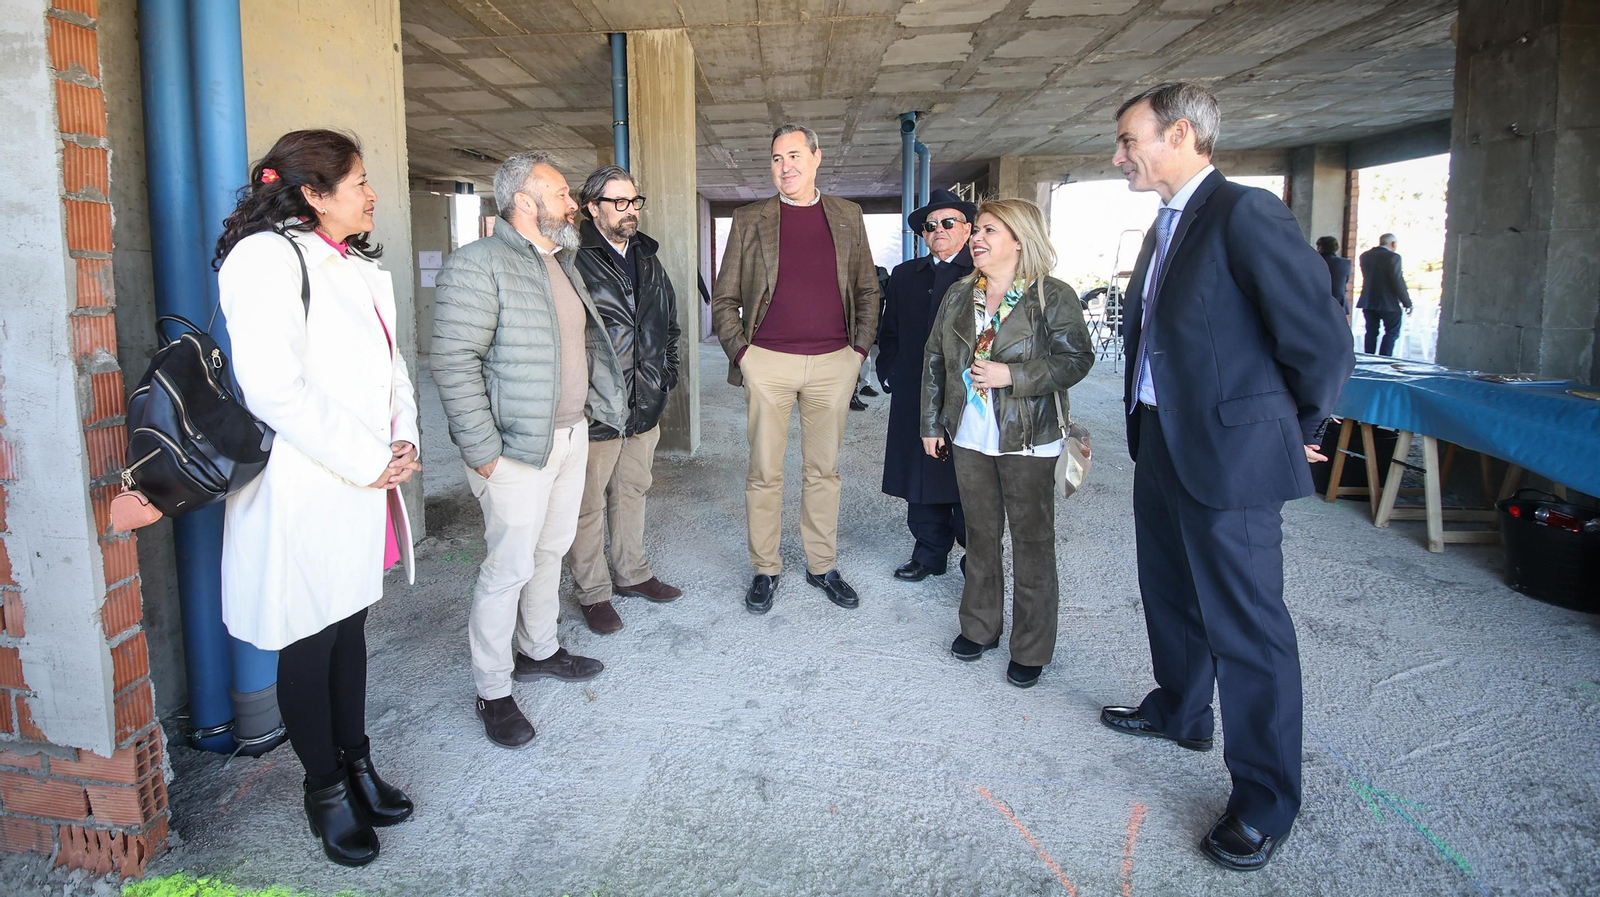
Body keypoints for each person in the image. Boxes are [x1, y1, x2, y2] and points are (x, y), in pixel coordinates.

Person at [1101, 82, 1354, 871]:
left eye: (1127, 140)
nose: (1118, 156)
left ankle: (1266, 799)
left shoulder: (1245, 214)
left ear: (1180, 133)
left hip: (1230, 452)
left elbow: (1321, 343)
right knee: (1169, 590)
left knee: (1248, 625)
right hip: (1162, 440)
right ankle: (1182, 709)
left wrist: (1292, 429)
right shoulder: (1164, 225)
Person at [215, 129, 420, 867]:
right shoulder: (265, 258)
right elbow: (274, 387)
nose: (371, 194)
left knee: (348, 629)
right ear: (313, 193)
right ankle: (325, 789)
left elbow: (391, 367)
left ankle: (358, 762)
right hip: (307, 485)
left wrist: (404, 438)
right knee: (310, 636)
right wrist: (369, 458)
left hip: (363, 480)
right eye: (360, 181)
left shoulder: (352, 263)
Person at [432, 151, 627, 749]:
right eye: (562, 192)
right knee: (507, 568)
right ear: (524, 201)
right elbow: (453, 360)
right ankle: (493, 688)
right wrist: (482, 451)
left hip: (568, 436)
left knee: (550, 550)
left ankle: (538, 650)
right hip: (513, 448)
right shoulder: (478, 264)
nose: (573, 203)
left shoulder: (561, 262)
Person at [920, 198, 1094, 689]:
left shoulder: (1051, 296)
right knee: (979, 536)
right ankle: (979, 627)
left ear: (1019, 239)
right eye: (978, 231)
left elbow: (1076, 360)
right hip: (971, 436)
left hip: (1029, 438)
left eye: (989, 231)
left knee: (1032, 543)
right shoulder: (960, 293)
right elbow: (935, 360)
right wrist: (931, 423)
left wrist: (1011, 375)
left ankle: (1032, 646)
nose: (976, 238)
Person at [711, 124, 880, 614]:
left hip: (834, 363)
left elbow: (868, 289)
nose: (785, 166)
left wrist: (858, 353)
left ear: (816, 158)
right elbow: (724, 298)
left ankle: (821, 565)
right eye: (776, 158)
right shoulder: (750, 218)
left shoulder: (847, 215)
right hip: (768, 363)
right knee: (765, 472)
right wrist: (744, 355)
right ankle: (765, 568)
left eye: (794, 155)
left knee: (823, 472)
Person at [564, 165, 684, 634]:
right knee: (587, 503)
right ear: (592, 207)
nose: (630, 211)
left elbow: (668, 324)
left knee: (632, 490)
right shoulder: (570, 257)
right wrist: (583, 390)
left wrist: (665, 376)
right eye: (619, 202)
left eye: (635, 201)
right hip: (597, 405)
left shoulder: (647, 256)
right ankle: (594, 592)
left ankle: (632, 573)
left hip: (645, 401)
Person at [879, 189, 976, 581]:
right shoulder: (905, 275)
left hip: (968, 394)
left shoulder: (981, 273)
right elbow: (891, 331)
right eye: (930, 226)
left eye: (948, 223)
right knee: (922, 470)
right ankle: (928, 553)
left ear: (967, 229)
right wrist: (891, 369)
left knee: (968, 472)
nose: (938, 231)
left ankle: (978, 558)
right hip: (914, 390)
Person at [1357, 233, 1412, 356]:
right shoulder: (1394, 257)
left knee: (1371, 331)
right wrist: (1406, 302)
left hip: (1368, 300)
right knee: (1392, 332)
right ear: (1393, 244)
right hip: (1389, 302)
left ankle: (1368, 357)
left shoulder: (1365, 256)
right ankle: (1384, 358)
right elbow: (1397, 280)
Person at [1316, 235, 1352, 318]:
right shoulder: (1345, 263)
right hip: (1338, 301)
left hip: (1317, 301)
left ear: (1320, 247)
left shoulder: (1313, 261)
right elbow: (1345, 281)